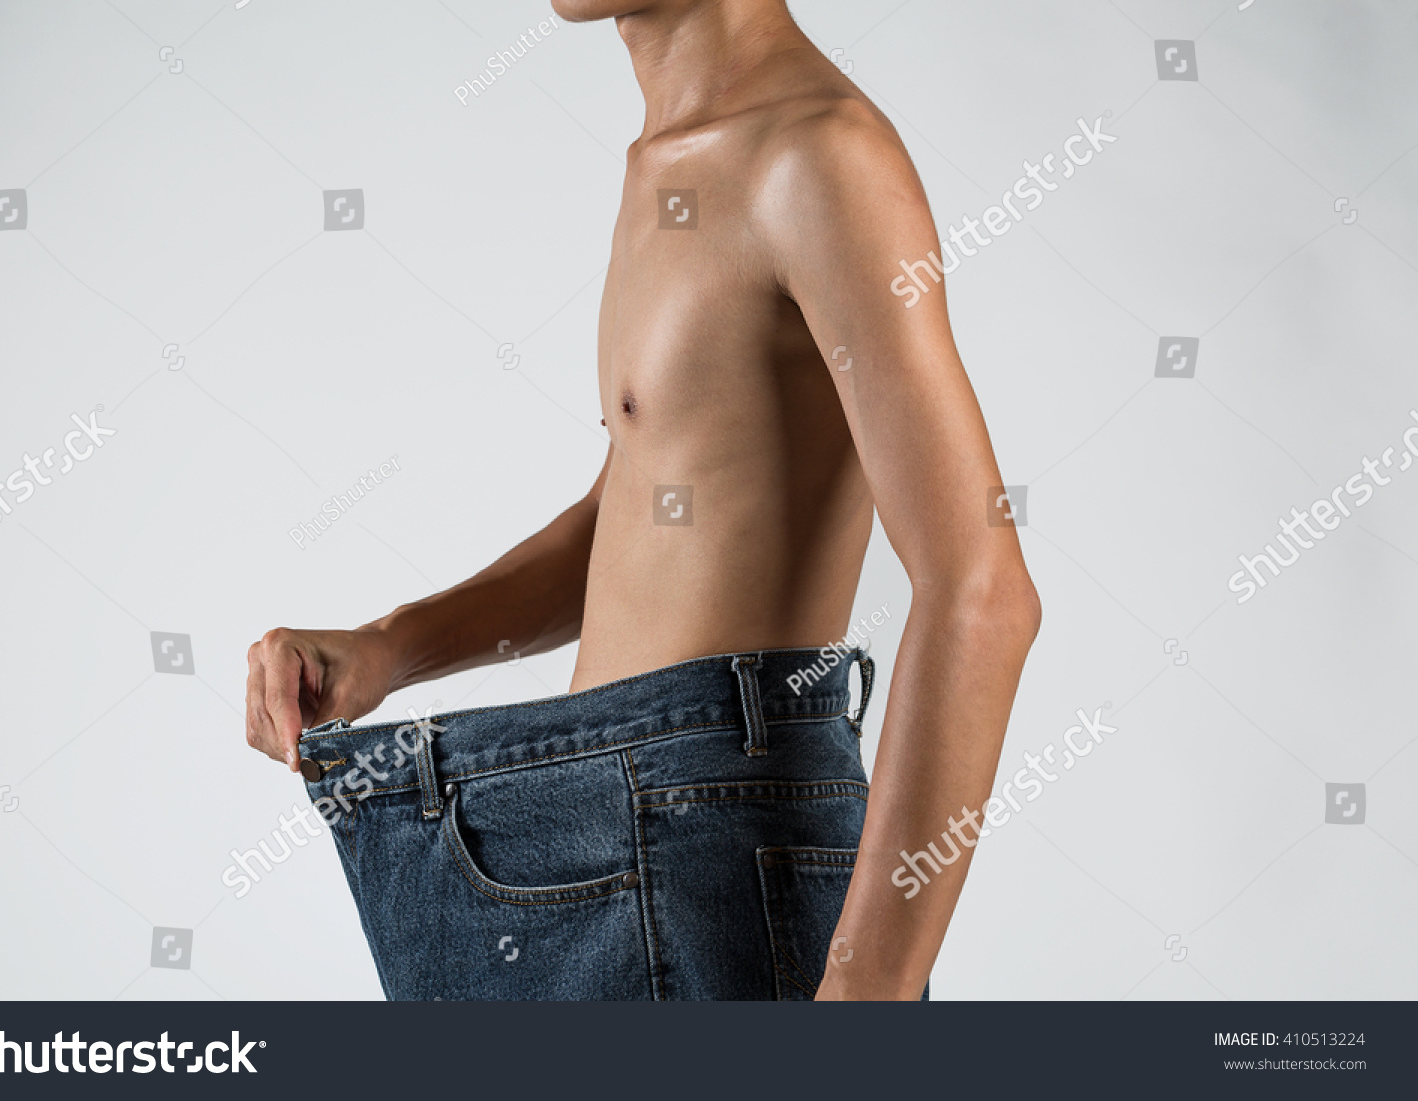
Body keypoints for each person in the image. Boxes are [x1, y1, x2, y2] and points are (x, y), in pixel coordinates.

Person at [243, 0, 1040, 1000]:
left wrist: (867, 1000)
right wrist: (387, 648)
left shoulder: (815, 154)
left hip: (716, 852)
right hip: (598, 841)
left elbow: (983, 592)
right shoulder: (665, 161)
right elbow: (644, 510)